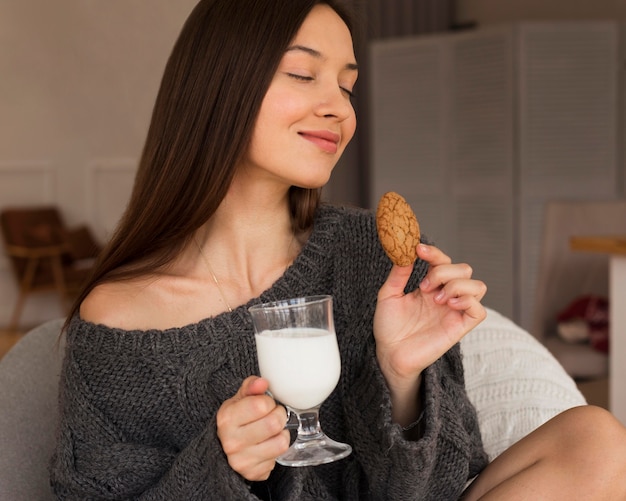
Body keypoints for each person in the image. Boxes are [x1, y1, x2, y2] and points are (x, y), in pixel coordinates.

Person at [49, 0, 626, 499]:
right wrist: (221, 466)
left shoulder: (378, 258)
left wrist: (400, 376)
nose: (340, 109)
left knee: (597, 442)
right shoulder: (117, 323)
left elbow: (445, 487)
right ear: (219, 84)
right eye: (303, 74)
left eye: (347, 86)